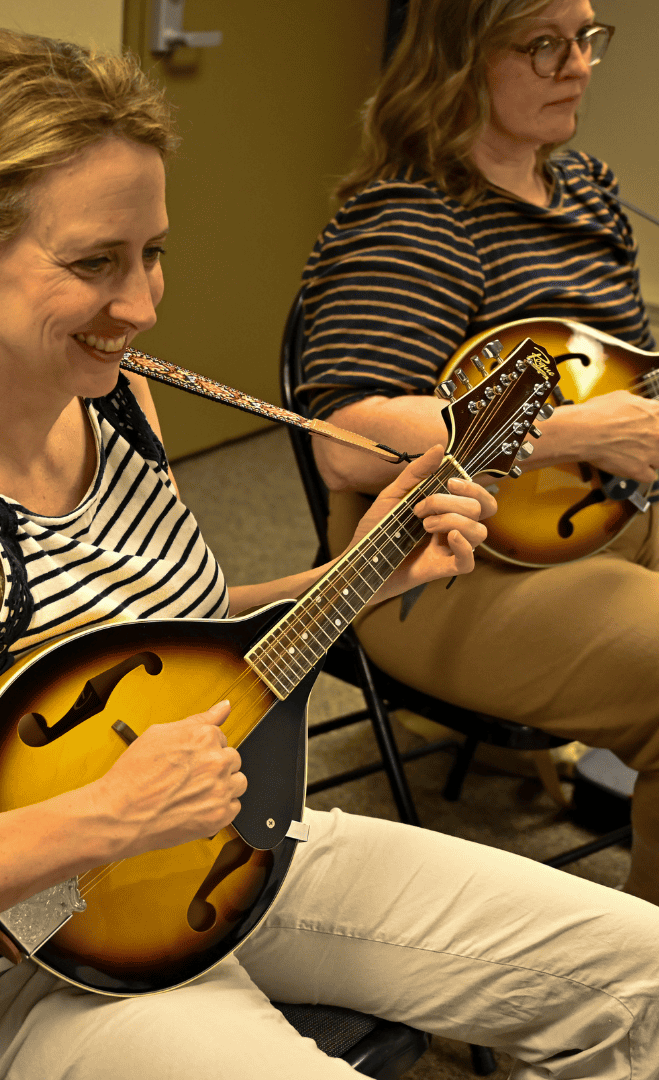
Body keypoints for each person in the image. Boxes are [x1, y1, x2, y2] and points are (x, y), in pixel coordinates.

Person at [0, 28, 659, 1079]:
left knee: (640, 977)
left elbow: (171, 629)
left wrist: (359, 574)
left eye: (153, 253)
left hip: (220, 849)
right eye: (95, 263)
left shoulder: (116, 398)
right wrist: (106, 813)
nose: (140, 306)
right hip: (22, 954)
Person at [299, 0, 659, 907]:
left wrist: (624, 425)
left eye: (586, 38)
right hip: (441, 565)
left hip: (611, 510)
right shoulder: (413, 219)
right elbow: (347, 440)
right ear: (460, 57)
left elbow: (624, 374)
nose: (577, 66)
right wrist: (583, 432)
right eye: (544, 45)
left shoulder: (582, 186)